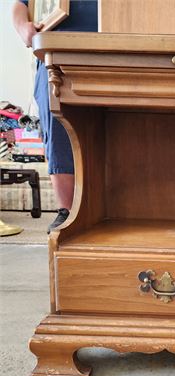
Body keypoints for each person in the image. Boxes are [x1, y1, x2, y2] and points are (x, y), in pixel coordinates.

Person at [12, 0, 98, 232]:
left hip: (121, 40)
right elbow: (21, 4)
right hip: (56, 47)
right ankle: (67, 211)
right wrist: (23, 28)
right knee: (56, 117)